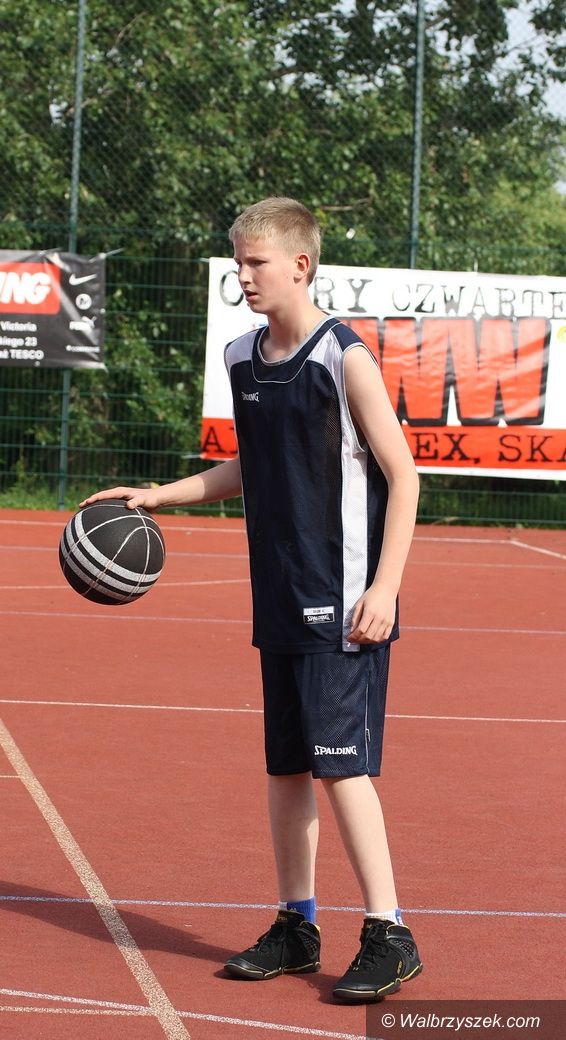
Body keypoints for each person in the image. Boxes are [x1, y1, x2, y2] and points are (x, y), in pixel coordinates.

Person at [80, 196, 423, 1003]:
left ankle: (390, 931)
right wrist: (159, 496)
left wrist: (385, 586)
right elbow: (249, 466)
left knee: (341, 769)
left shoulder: (342, 357)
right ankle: (297, 924)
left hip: (344, 599)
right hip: (278, 594)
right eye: (238, 261)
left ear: (300, 265)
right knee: (287, 767)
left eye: (255, 262)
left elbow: (404, 474)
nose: (243, 275)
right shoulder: (242, 357)